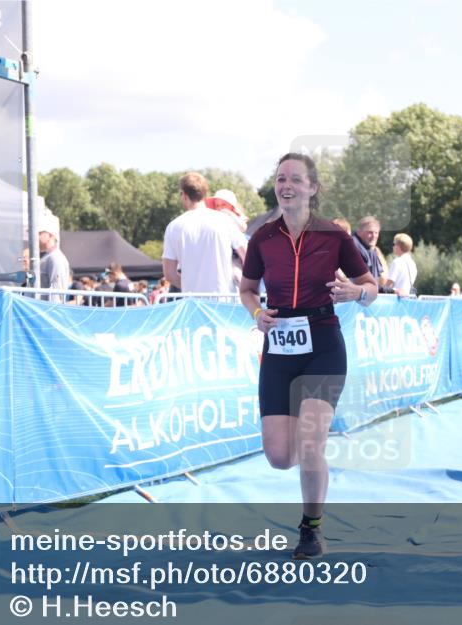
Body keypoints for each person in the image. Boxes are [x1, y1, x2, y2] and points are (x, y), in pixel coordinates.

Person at [239, 153, 377, 560]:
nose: (286, 185)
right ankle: (308, 453)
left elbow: (371, 286)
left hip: (323, 346)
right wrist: (257, 313)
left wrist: (357, 293)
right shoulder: (262, 238)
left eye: (296, 179)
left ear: (312, 188)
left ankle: (311, 528)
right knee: (281, 457)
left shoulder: (334, 236)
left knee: (312, 444)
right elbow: (247, 289)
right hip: (279, 349)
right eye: (281, 178)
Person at [163, 172, 248, 295]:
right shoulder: (225, 221)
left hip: (192, 303)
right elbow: (248, 256)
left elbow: (169, 274)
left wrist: (190, 287)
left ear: (184, 195)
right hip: (225, 300)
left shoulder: (173, 227)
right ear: (205, 194)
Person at [38, 209, 71, 303]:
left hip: (45, 313)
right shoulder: (48, 257)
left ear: (50, 235)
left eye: (40, 233)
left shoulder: (55, 258)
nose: (36, 236)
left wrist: (51, 313)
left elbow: (56, 291)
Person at [351, 216, 388, 292]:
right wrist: (393, 291)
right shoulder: (354, 248)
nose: (374, 236)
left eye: (376, 233)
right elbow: (365, 283)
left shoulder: (370, 249)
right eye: (370, 232)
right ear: (359, 231)